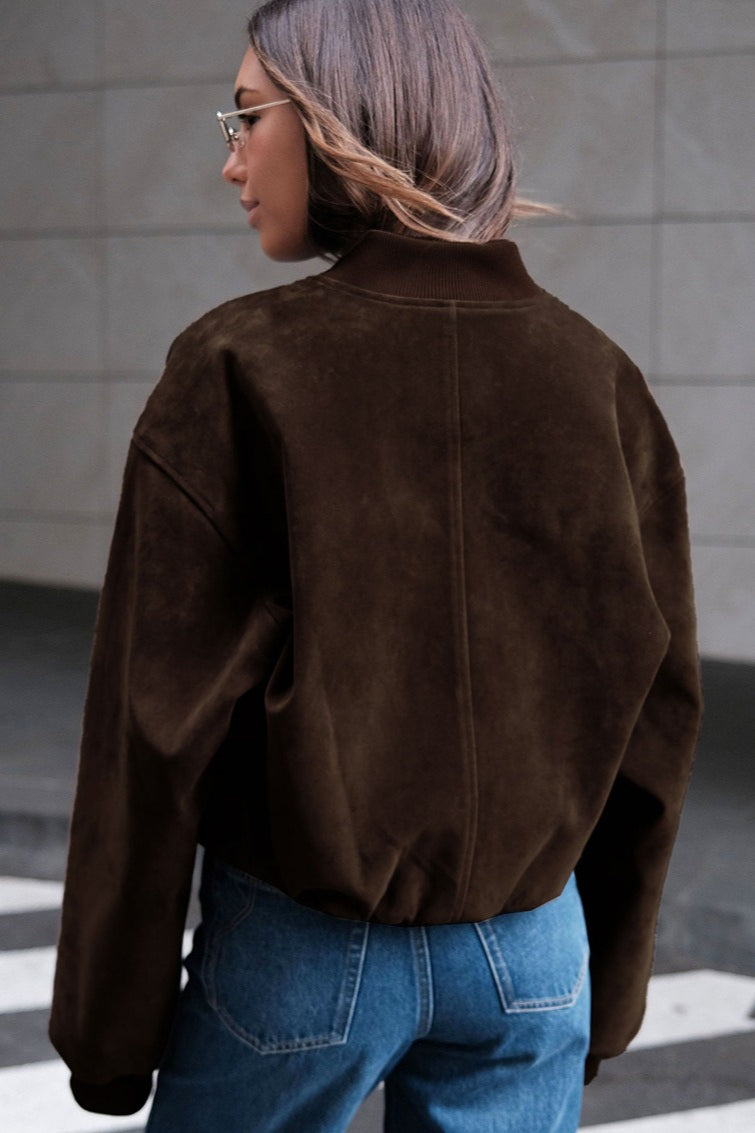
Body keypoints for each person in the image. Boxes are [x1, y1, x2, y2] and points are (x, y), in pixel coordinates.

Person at [49, 1, 702, 1130]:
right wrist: (609, 990)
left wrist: (109, 1035)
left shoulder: (239, 365)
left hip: (304, 944)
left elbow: (149, 734)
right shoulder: (597, 378)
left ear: (336, 122)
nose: (229, 161)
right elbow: (656, 713)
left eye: (247, 118)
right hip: (532, 950)